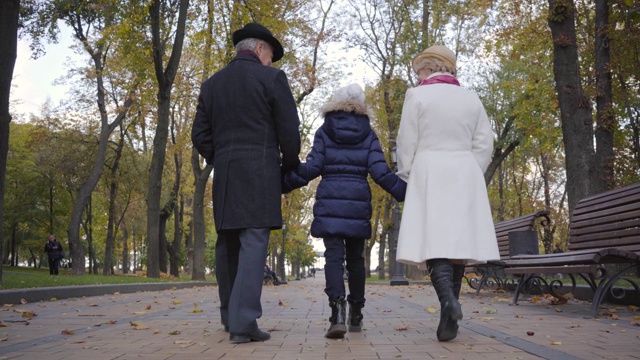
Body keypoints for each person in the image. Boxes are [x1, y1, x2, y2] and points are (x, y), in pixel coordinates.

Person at [191, 22, 301, 344]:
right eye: (271, 56)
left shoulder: (212, 85)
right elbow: (289, 131)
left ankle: (229, 317)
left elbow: (199, 134)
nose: (271, 62)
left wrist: (222, 155)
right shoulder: (272, 79)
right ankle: (244, 323)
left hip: (225, 174)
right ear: (260, 49)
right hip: (261, 172)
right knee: (254, 242)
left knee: (228, 244)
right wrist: (287, 167)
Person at [283, 83, 406, 339]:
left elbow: (313, 166)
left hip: (330, 199)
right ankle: (357, 314)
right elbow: (380, 172)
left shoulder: (325, 130)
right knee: (356, 260)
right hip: (358, 200)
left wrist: (283, 182)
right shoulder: (368, 133)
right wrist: (406, 192)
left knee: (333, 259)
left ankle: (336, 312)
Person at [395, 45, 499, 342]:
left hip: (429, 169)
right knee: (457, 245)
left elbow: (406, 142)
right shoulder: (471, 98)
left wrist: (408, 173)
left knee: (435, 243)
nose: (417, 77)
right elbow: (484, 143)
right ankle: (449, 315)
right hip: (464, 171)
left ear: (429, 68)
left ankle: (448, 303)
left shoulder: (416, 96)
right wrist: (471, 168)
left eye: (419, 71)